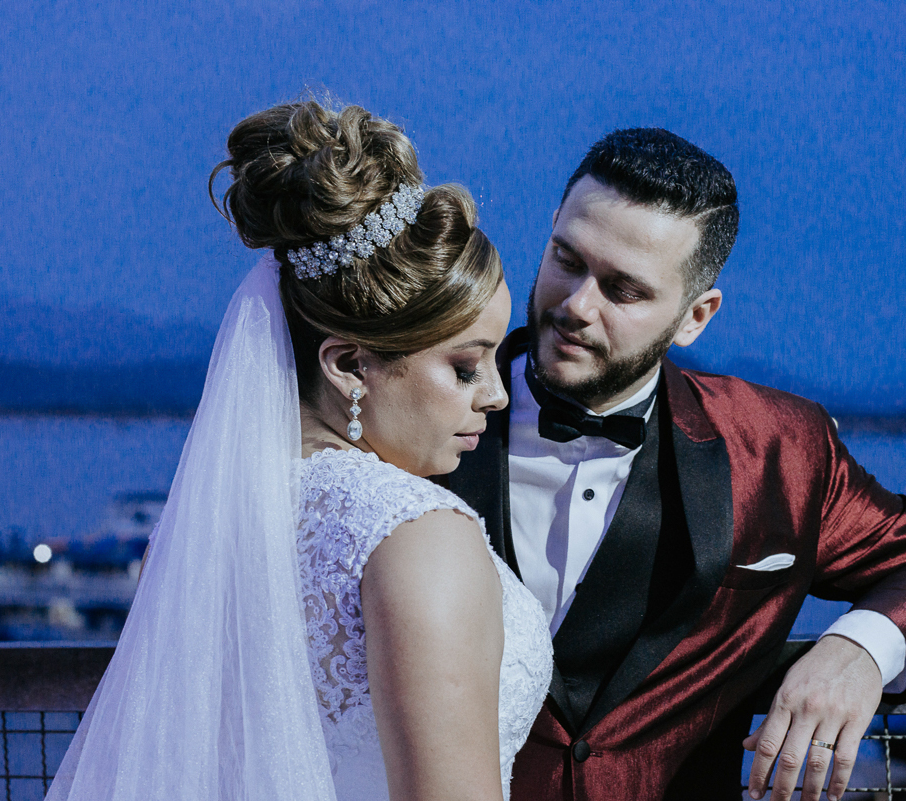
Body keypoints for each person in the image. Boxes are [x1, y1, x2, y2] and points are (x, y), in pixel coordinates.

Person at [445, 128, 906, 801]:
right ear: (550, 229)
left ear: (695, 317)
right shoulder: (419, 418)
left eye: (623, 290)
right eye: (567, 258)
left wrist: (859, 649)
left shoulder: (779, 449)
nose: (576, 305)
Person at [46, 100, 552, 801]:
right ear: (348, 363)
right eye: (465, 367)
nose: (495, 395)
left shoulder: (214, 518)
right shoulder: (419, 534)